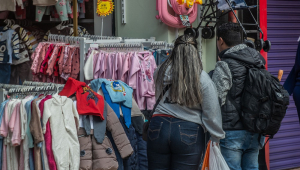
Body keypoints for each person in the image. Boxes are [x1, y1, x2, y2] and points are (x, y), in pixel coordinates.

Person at [147, 34, 225, 170]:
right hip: (189, 130)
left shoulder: (160, 71)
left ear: (174, 51)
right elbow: (211, 113)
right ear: (195, 53)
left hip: (158, 127)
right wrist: (216, 137)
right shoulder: (202, 79)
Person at [214, 23, 266, 170]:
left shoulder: (224, 65)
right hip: (255, 130)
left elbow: (217, 99)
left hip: (232, 131)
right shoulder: (258, 62)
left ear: (221, 40)